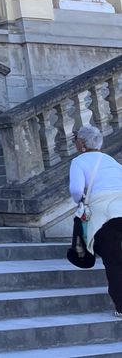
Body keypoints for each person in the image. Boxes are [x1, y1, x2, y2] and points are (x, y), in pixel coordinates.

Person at [69, 124, 122, 318]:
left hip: (103, 216)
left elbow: (76, 190)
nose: (74, 143)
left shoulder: (79, 161)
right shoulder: (112, 161)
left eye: (75, 140)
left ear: (82, 143)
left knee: (114, 262)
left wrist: (81, 202)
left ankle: (121, 306)